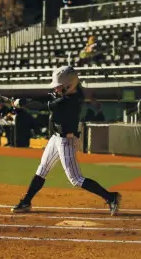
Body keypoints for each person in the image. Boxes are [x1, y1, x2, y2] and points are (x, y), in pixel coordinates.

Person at [11, 66, 122, 215]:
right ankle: (26, 201)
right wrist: (25, 100)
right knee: (42, 169)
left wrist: (24, 104)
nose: (56, 89)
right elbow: (47, 97)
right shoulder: (68, 92)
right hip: (56, 138)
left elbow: (45, 105)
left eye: (59, 87)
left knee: (75, 179)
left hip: (67, 141)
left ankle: (111, 197)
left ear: (69, 85)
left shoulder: (71, 100)